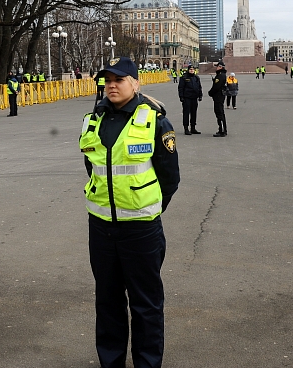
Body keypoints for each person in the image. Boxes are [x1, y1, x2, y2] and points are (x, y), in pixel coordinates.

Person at [80, 57, 180, 368]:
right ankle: (111, 362)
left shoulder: (154, 121)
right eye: (107, 79)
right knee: (107, 301)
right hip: (101, 227)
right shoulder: (92, 119)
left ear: (135, 83)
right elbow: (93, 168)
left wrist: (148, 207)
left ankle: (147, 363)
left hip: (140, 230)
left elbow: (169, 176)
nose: (111, 84)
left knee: (145, 304)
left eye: (119, 79)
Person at [178, 64, 202, 135]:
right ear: (188, 70)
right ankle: (186, 128)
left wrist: (200, 95)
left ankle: (193, 128)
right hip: (187, 98)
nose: (192, 70)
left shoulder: (196, 78)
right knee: (186, 113)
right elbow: (181, 88)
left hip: (194, 97)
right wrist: (181, 97)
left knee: (194, 113)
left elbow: (199, 87)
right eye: (190, 69)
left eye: (193, 69)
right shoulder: (184, 77)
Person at [208, 61, 228, 137]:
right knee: (220, 112)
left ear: (220, 67)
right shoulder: (221, 75)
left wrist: (210, 92)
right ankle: (222, 129)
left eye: (217, 66)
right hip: (220, 96)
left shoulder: (220, 75)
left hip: (218, 96)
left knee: (219, 113)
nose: (216, 67)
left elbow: (216, 87)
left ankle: (222, 130)